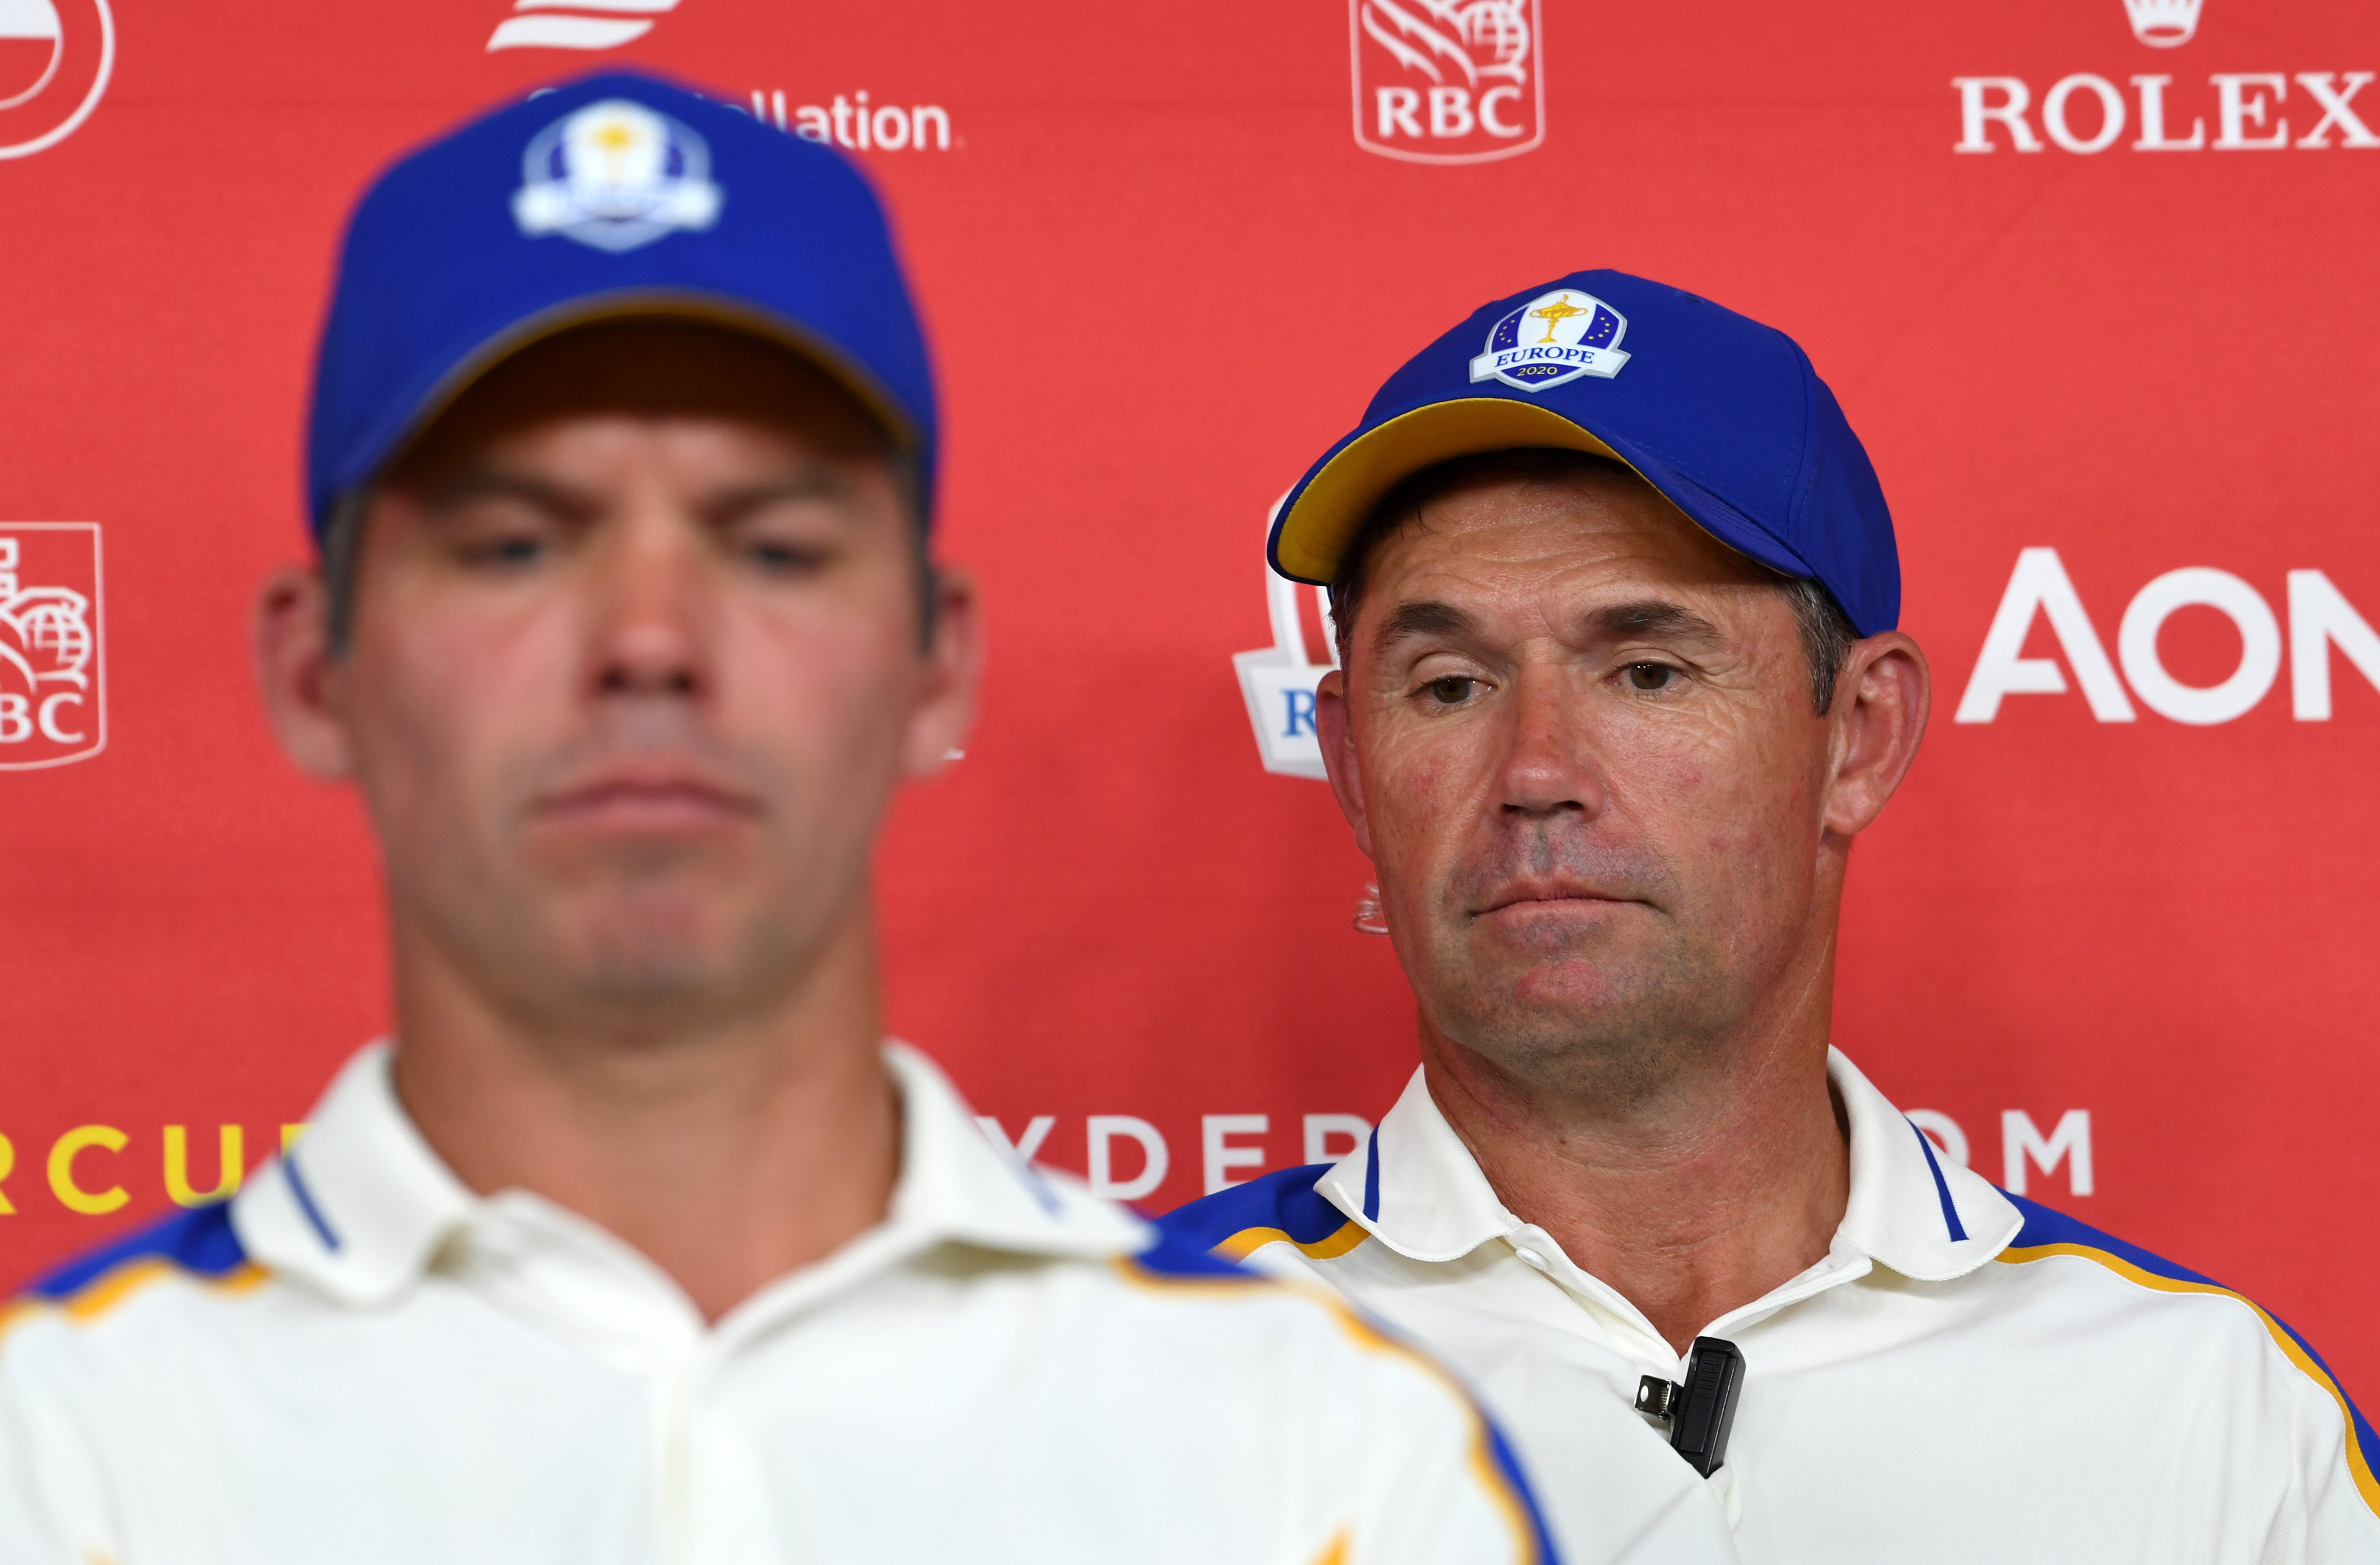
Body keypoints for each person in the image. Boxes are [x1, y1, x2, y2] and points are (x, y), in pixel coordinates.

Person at [0, 73, 1566, 1565]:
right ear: (312, 669)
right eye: (510, 545)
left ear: (933, 664)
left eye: (774, 548)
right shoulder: (61, 1458)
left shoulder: (1319, 1451)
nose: (651, 636)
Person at [1163, 271, 2380, 1561]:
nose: (1533, 770)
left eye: (1646, 670)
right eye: (1451, 683)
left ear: (1859, 737)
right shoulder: (1109, 1385)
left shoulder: (2209, 1418)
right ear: (1353, 767)